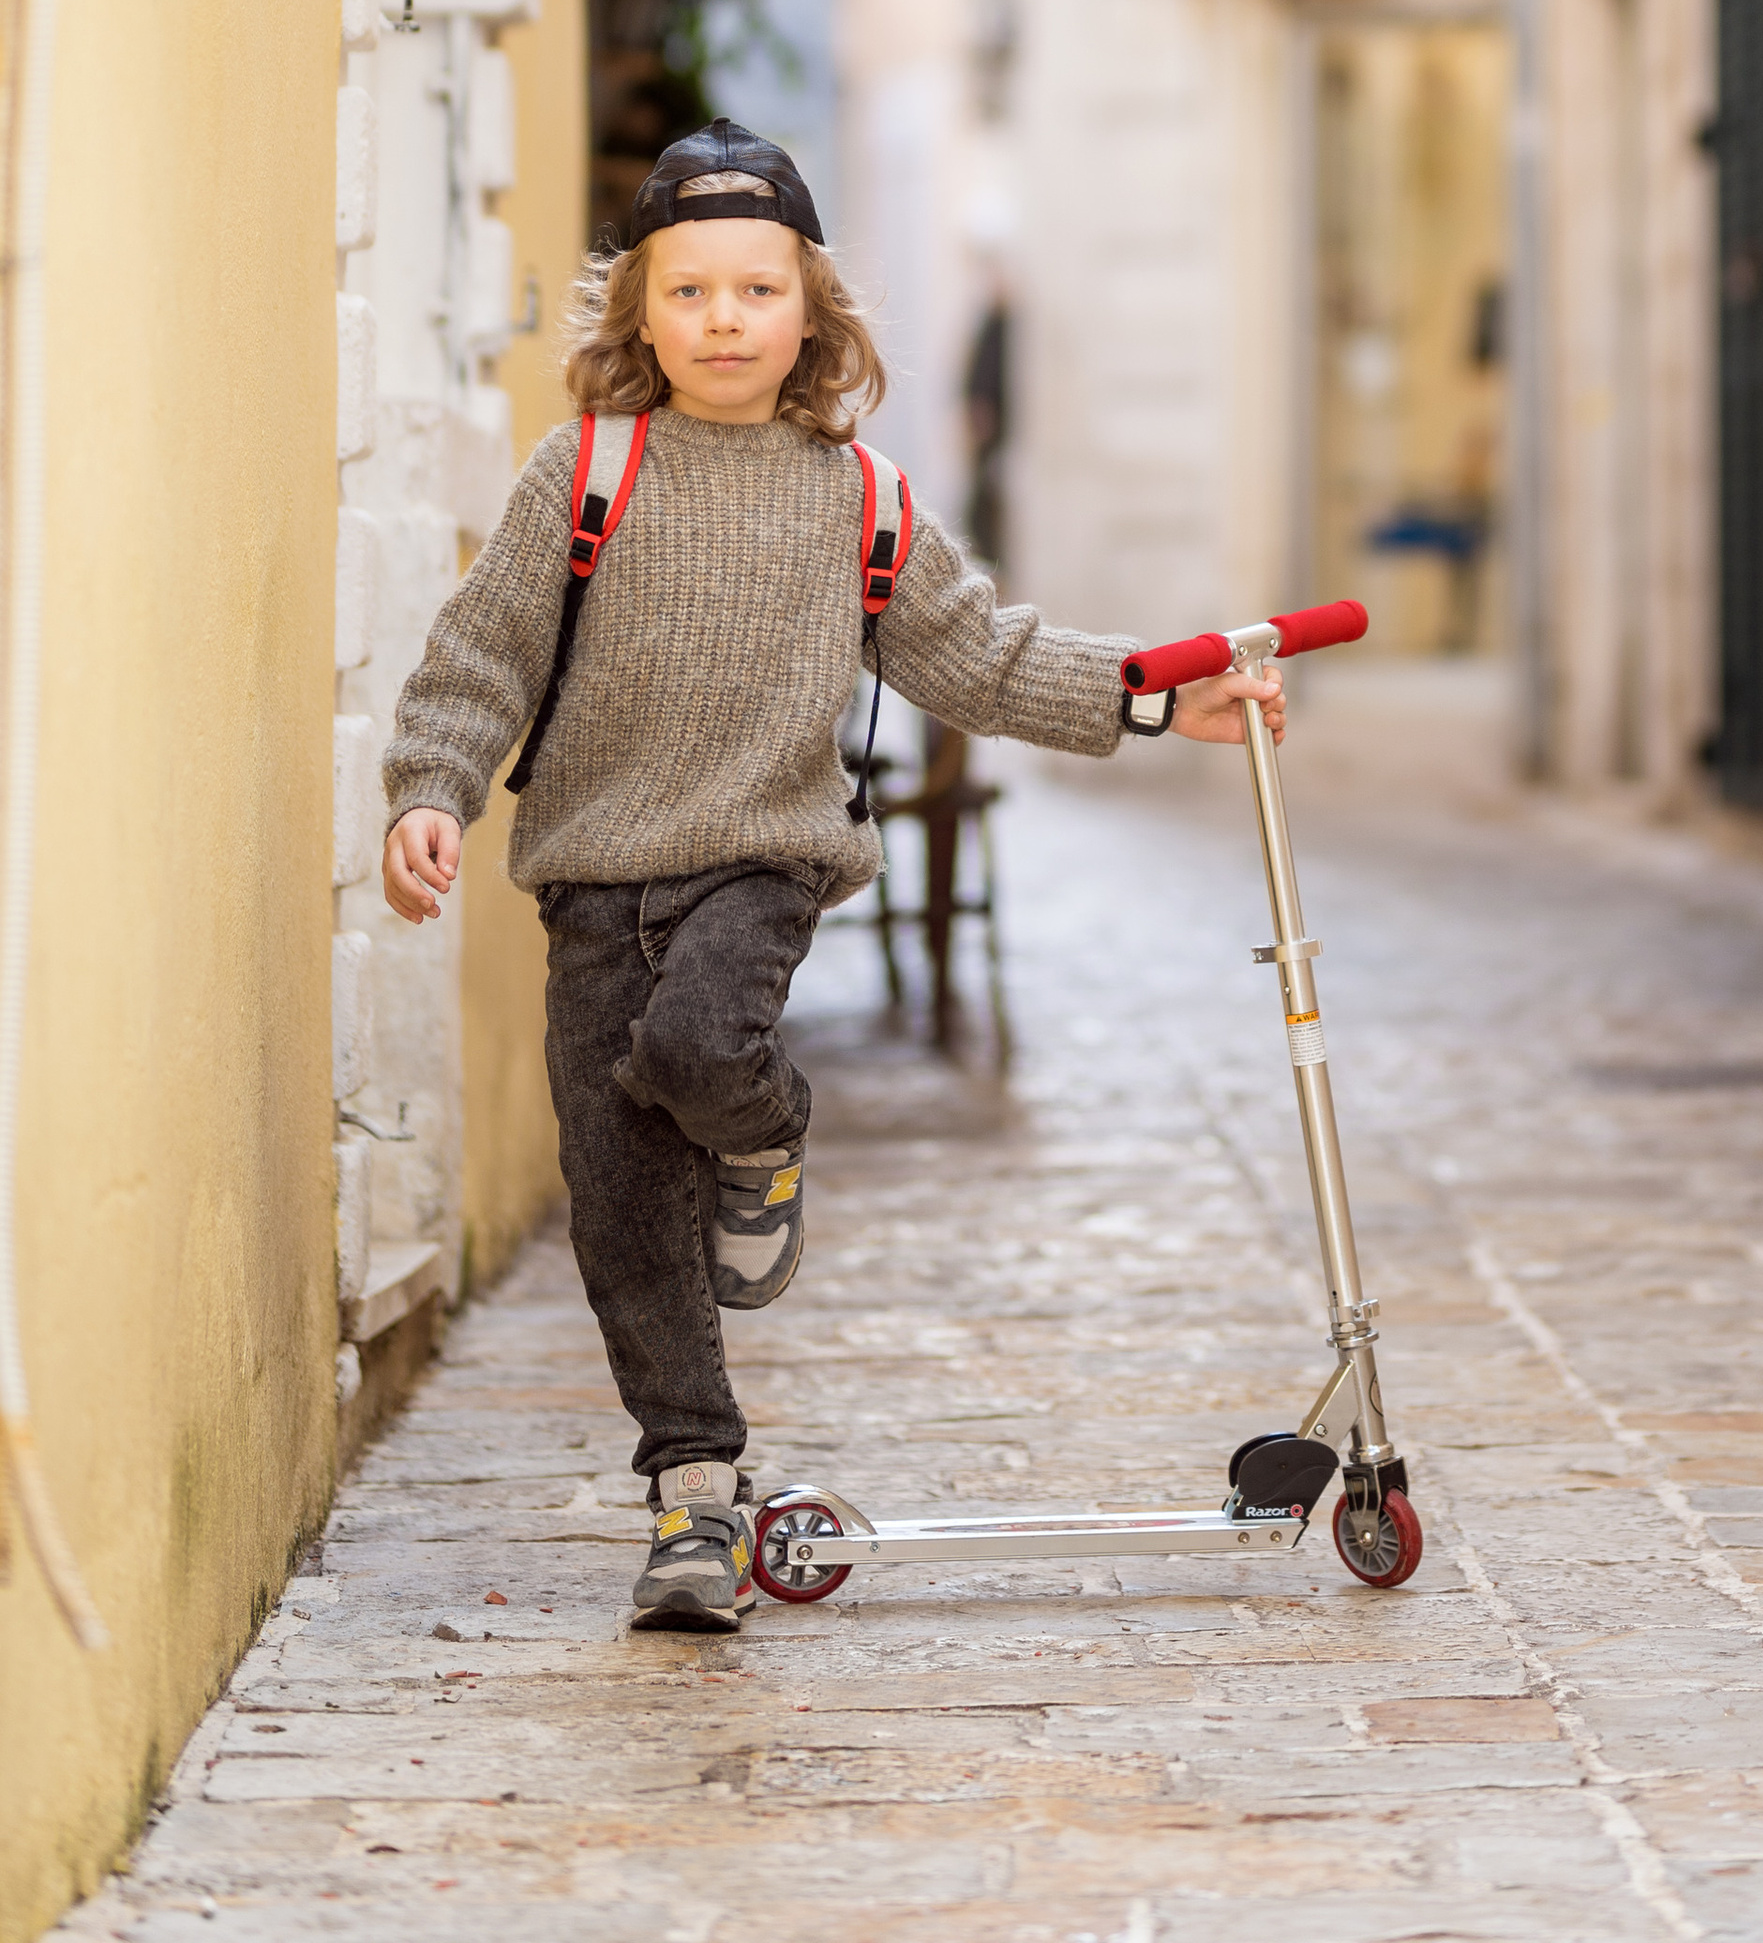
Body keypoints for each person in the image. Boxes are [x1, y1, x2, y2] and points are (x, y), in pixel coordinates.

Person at [378, 117, 1281, 1635]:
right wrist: (431, 791)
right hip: (596, 882)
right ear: (638, 311)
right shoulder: (582, 473)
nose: (722, 321)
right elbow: (482, 659)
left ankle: (767, 1140)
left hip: (761, 859)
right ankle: (694, 1496)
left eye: (756, 291)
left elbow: (976, 654)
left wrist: (1146, 693)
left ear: (811, 312)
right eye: (687, 293)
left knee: (698, 1053)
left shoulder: (854, 496)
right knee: (617, 1209)